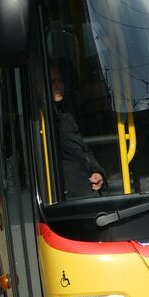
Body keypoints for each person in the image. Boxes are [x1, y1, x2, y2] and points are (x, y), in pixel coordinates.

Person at [50, 63, 106, 198]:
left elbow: (84, 149)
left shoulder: (65, 114)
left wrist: (98, 173)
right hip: (70, 199)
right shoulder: (41, 122)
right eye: (52, 81)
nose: (58, 85)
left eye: (60, 80)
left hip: (88, 192)